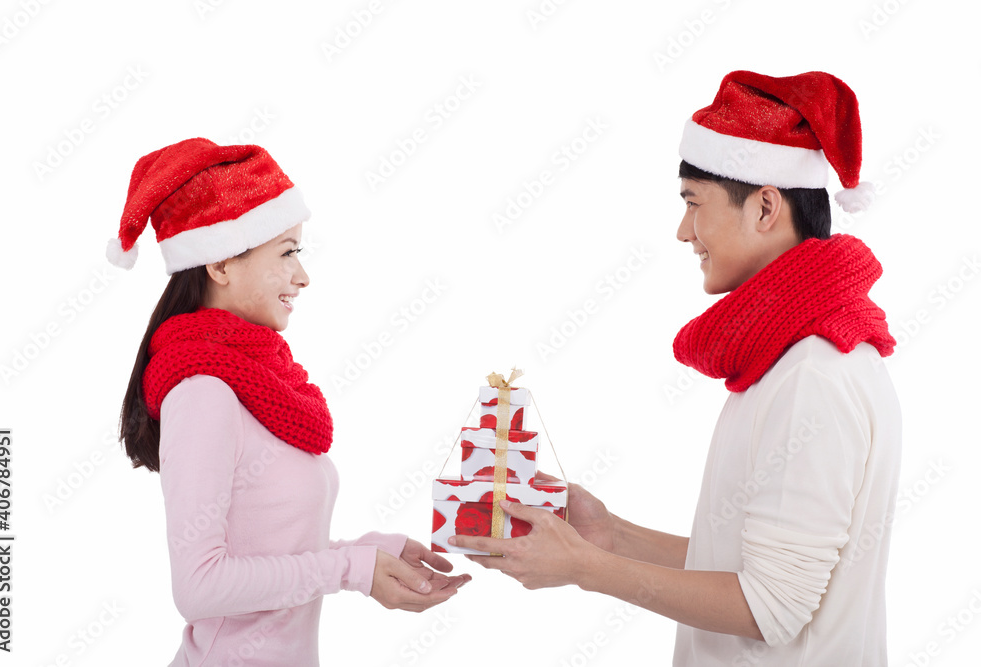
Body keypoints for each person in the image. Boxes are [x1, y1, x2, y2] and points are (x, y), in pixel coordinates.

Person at [451, 71, 901, 666]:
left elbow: (771, 606)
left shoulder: (812, 374)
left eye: (693, 204)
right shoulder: (792, 357)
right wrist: (613, 535)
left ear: (766, 206)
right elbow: (753, 569)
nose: (684, 232)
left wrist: (590, 569)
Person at [110, 138, 469, 666]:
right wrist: (352, 571)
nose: (303, 276)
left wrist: (366, 553)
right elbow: (199, 587)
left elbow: (264, 552)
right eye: (287, 253)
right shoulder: (204, 391)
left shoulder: (256, 379)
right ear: (221, 264)